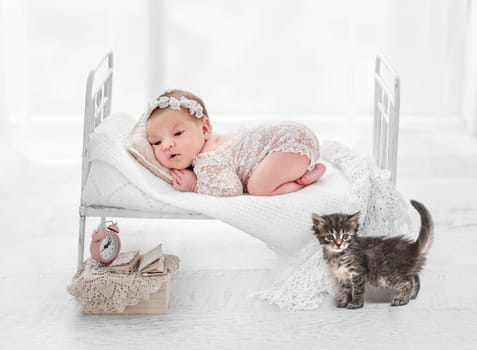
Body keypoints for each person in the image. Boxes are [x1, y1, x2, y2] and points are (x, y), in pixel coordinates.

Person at [145, 89, 326, 197]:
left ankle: (304, 180)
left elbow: (231, 190)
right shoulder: (217, 142)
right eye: (156, 142)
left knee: (258, 188)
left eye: (177, 133)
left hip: (287, 142)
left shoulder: (207, 159)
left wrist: (195, 186)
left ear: (205, 129)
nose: (167, 145)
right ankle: (304, 168)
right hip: (291, 136)